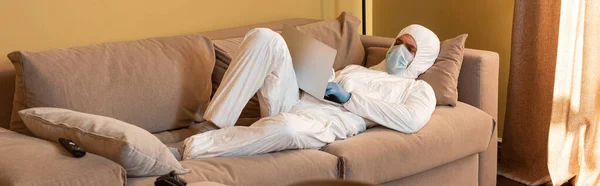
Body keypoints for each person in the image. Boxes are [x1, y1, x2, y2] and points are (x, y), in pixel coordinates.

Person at [182, 24, 440, 160]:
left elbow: (411, 120)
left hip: (327, 122)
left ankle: (188, 150)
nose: (399, 50)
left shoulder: (418, 88)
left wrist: (350, 98)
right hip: (295, 100)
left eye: (410, 49)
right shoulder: (356, 69)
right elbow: (324, 86)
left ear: (423, 58)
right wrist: (319, 73)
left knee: (287, 128)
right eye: (399, 42)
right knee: (265, 37)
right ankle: (214, 125)